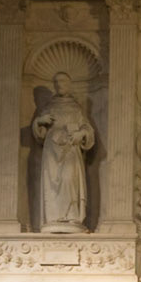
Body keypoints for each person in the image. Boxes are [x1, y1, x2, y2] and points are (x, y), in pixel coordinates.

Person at [32, 77, 95, 231]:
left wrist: (81, 134)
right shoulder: (49, 107)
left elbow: (87, 128)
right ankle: (53, 217)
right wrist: (40, 121)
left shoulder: (76, 108)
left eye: (63, 81)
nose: (60, 84)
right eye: (57, 82)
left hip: (70, 148)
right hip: (51, 150)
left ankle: (72, 216)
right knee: (52, 183)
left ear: (69, 84)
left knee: (69, 178)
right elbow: (40, 134)